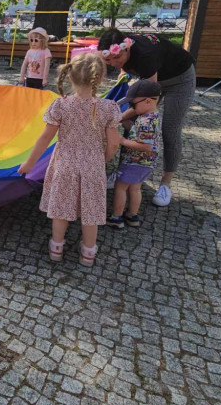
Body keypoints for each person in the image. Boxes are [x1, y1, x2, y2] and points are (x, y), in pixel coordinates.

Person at [17, 52, 120, 268]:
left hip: (64, 163)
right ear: (100, 77)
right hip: (93, 164)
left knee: (61, 208)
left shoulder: (61, 105)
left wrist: (29, 163)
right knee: (91, 210)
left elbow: (45, 138)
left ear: (70, 76)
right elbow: (113, 144)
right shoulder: (108, 108)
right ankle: (88, 253)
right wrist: (103, 159)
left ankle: (56, 248)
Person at [97, 29, 196, 207]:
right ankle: (123, 173)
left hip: (179, 81)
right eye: (108, 60)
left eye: (117, 58)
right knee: (132, 125)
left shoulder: (145, 55)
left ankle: (165, 184)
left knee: (170, 130)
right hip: (154, 77)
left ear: (127, 48)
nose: (114, 63)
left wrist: (116, 118)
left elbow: (145, 101)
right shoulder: (123, 54)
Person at [108, 80, 161, 229]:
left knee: (120, 187)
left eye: (133, 104)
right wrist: (122, 123)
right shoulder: (153, 117)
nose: (131, 107)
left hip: (134, 161)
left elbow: (145, 146)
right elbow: (138, 132)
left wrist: (122, 140)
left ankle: (116, 217)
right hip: (146, 163)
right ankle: (132, 216)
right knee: (135, 188)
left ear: (148, 101)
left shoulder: (145, 121)